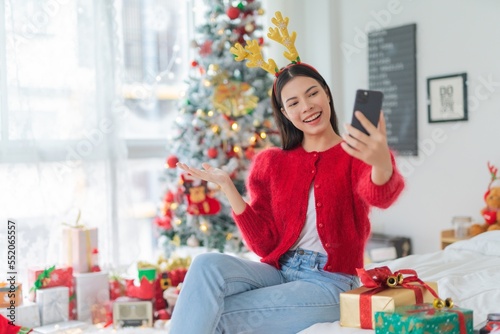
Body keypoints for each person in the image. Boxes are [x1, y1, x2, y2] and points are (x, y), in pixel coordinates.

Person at [168, 62, 405, 333]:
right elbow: (264, 245)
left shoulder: (354, 154)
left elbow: (381, 196)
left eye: (312, 93)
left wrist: (381, 164)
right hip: (278, 271)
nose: (306, 106)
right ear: (285, 112)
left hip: (330, 282)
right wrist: (227, 187)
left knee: (216, 315)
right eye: (293, 102)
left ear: (327, 93)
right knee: (206, 264)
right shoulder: (271, 162)